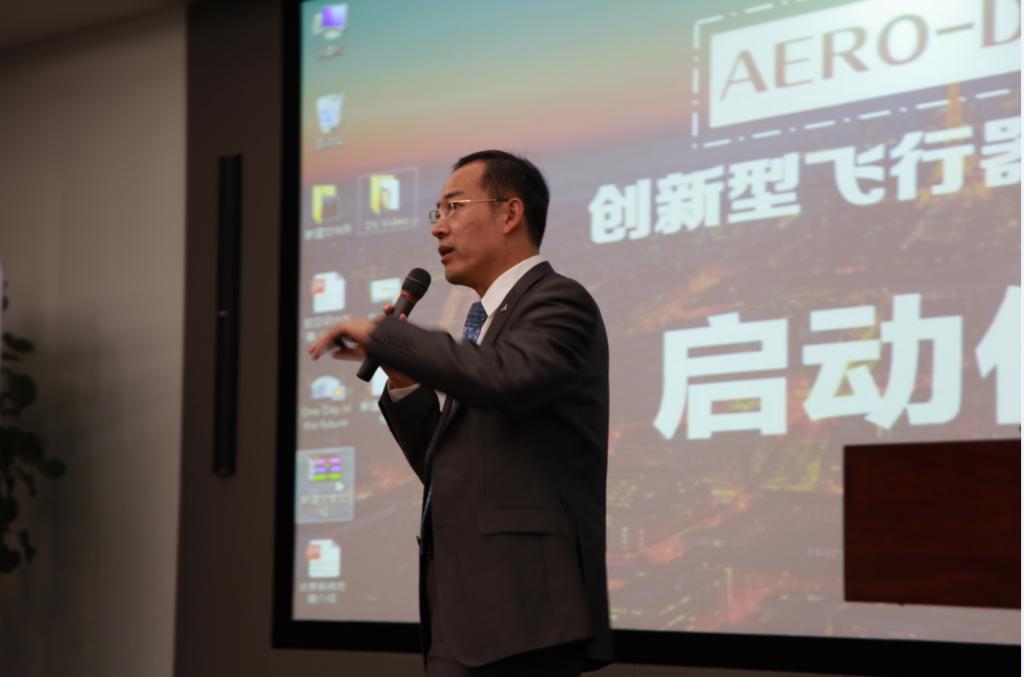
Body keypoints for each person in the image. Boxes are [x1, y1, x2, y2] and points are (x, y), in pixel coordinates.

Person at [310, 150, 611, 676]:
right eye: (437, 212)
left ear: (510, 213)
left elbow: (502, 377)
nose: (438, 227)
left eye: (453, 207)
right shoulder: (487, 326)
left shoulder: (559, 301)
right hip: (465, 617)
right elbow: (449, 467)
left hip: (525, 620)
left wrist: (389, 335)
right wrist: (403, 377)